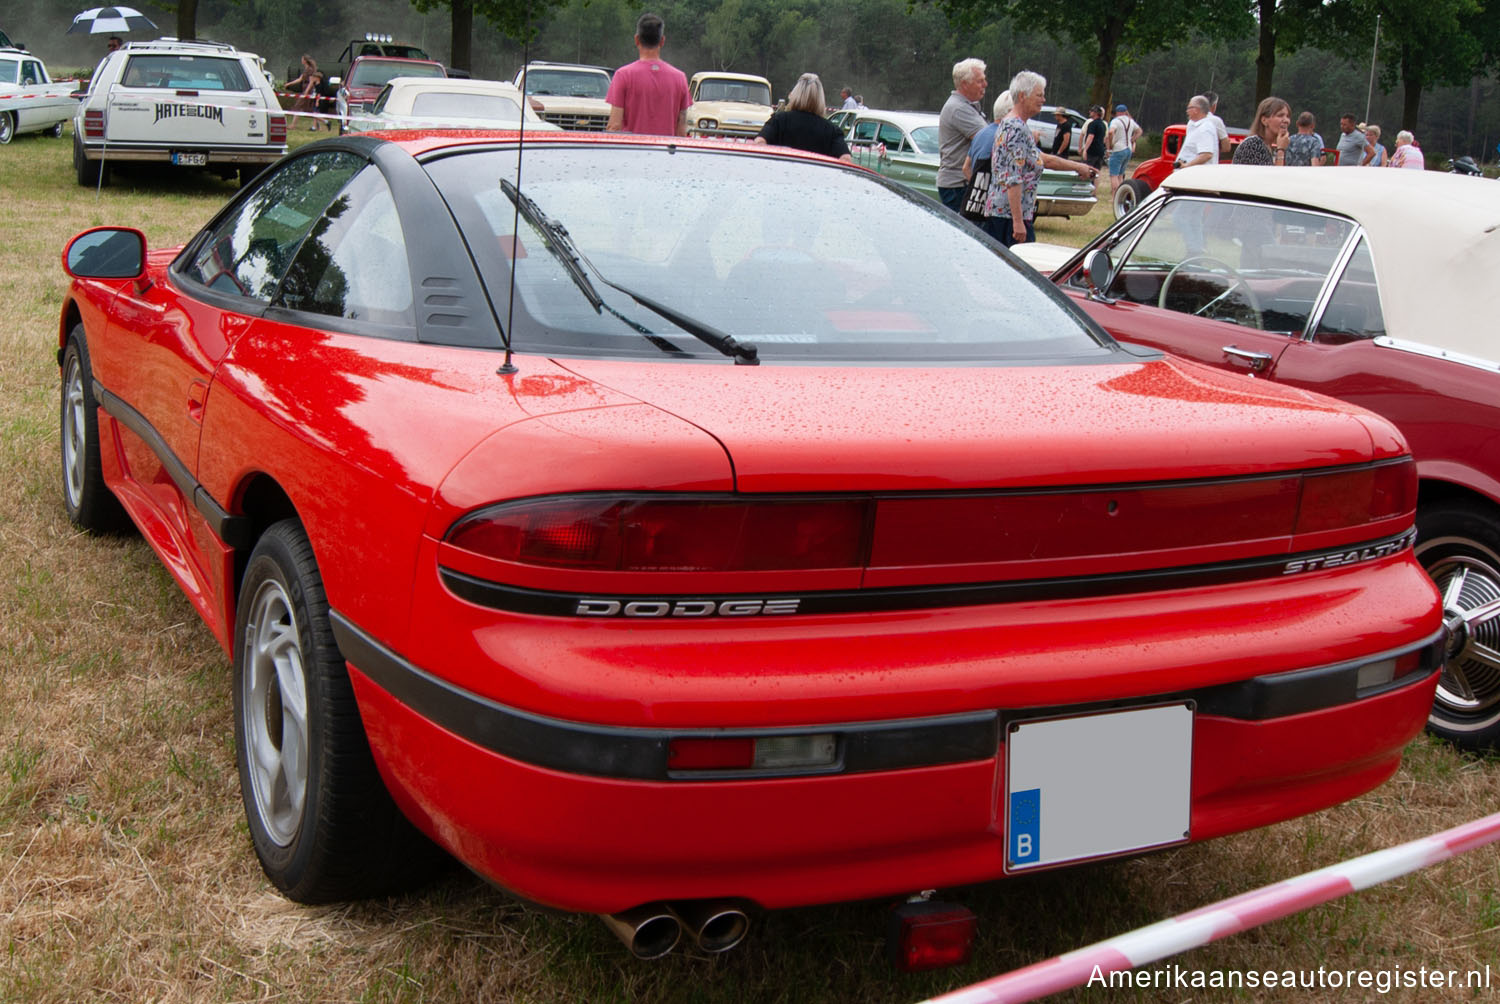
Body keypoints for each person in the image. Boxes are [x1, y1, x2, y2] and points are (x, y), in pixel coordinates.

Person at [985, 70, 1096, 247]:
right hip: (1007, 218)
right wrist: (1018, 222)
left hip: (1010, 215)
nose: (1043, 100)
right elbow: (1013, 178)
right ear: (1022, 96)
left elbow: (1042, 158)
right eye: (1039, 95)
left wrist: (1077, 166)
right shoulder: (1015, 128)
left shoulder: (1018, 126)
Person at [606, 12, 690, 137]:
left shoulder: (623, 75)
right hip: (666, 154)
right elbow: (681, 129)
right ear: (662, 41)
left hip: (632, 153)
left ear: (636, 39)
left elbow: (614, 126)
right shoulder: (680, 78)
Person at [756, 73, 853, 163]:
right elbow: (846, 159)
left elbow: (759, 143)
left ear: (794, 94)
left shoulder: (779, 120)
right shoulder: (832, 131)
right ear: (820, 99)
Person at [937, 58, 988, 211]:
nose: (985, 85)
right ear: (965, 84)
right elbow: (989, 140)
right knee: (964, 232)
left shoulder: (965, 106)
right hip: (958, 185)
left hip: (958, 184)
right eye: (980, 81)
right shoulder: (959, 109)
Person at [1232, 96, 1291, 164]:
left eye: (1288, 116)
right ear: (1264, 120)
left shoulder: (1269, 147)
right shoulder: (1253, 145)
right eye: (1280, 115)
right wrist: (1280, 150)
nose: (1286, 120)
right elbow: (1273, 174)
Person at [1105, 102, 1141, 198]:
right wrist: (1132, 139)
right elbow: (1139, 131)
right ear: (1125, 112)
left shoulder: (1116, 121)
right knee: (1121, 175)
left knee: (1114, 175)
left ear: (1117, 112)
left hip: (1118, 149)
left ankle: (1115, 196)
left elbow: (1111, 132)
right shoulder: (1130, 121)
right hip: (1128, 148)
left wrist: (1111, 144)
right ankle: (1121, 195)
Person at [1174, 95, 1219, 169]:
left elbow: (1206, 154)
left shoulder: (1205, 128)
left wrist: (1186, 165)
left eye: (1189, 108)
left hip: (1197, 175)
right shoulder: (1196, 126)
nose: (1187, 111)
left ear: (1196, 110)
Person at [286, 55, 324, 131]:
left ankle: (293, 125)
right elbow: (300, 79)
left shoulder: (309, 70)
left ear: (305, 60)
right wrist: (289, 84)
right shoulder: (306, 69)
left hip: (308, 89)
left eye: (302, 59)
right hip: (306, 88)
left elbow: (310, 81)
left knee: (298, 106)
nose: (301, 60)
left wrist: (306, 91)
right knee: (309, 109)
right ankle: (320, 125)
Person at [1079, 105, 1106, 175]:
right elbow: (1104, 138)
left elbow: (1090, 136)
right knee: (1095, 173)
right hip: (1100, 151)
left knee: (1085, 170)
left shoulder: (1093, 124)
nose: (1089, 112)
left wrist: (1085, 150)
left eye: (1091, 111)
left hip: (1092, 151)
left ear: (1096, 113)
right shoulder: (1103, 124)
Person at [1204, 90, 1230, 155]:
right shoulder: (1216, 121)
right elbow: (1226, 147)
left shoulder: (1192, 120)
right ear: (1214, 105)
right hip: (1209, 162)